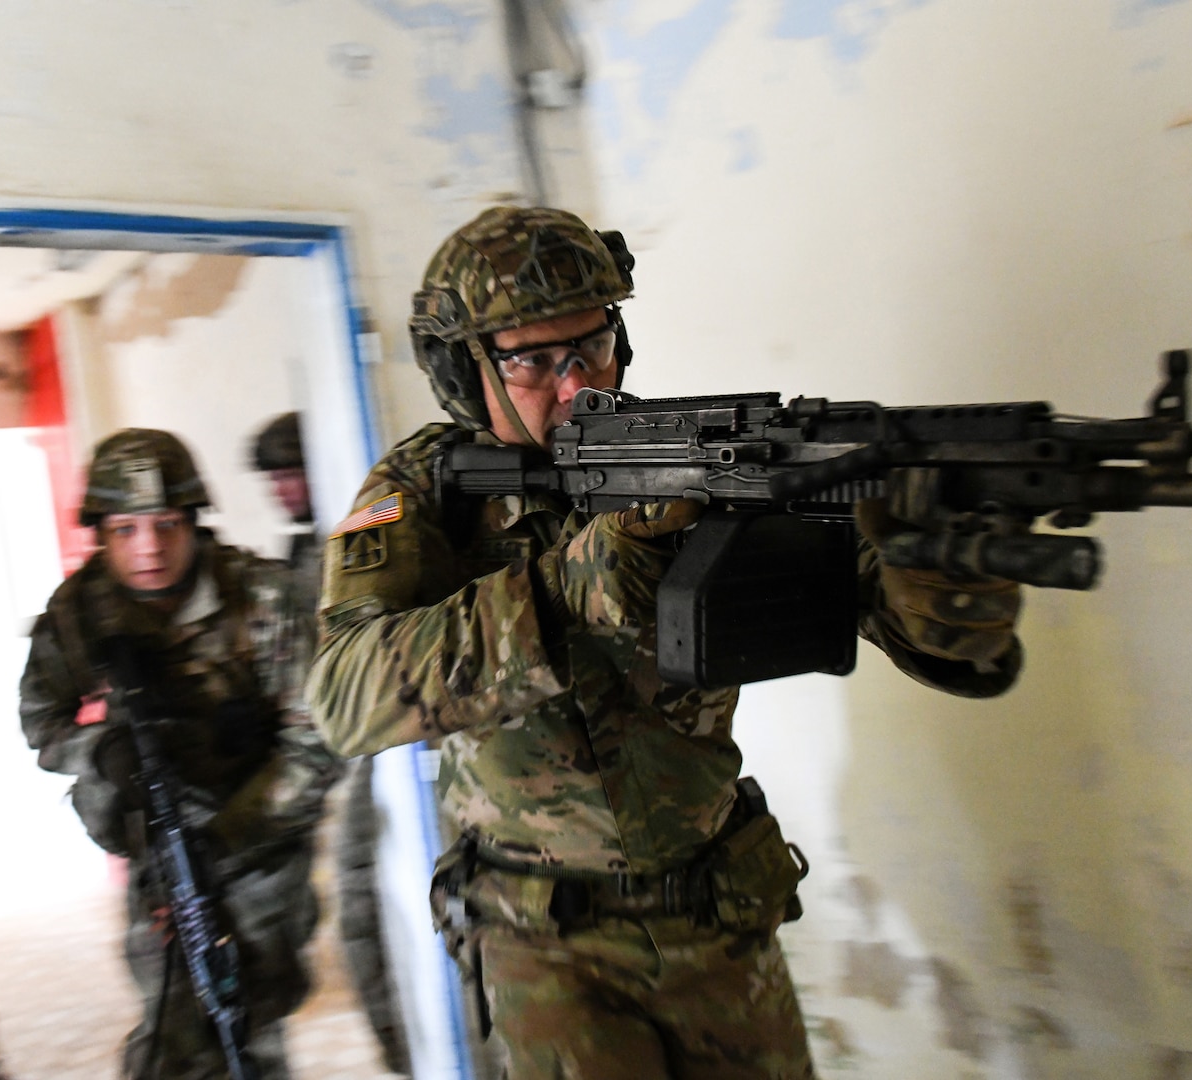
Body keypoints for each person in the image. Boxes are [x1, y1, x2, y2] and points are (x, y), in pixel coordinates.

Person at [307, 206, 1024, 1079]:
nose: (577, 386)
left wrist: (944, 586)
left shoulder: (694, 455)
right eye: (533, 359)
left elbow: (901, 617)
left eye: (593, 345)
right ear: (464, 365)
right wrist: (573, 590)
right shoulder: (424, 492)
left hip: (720, 918)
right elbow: (342, 697)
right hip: (546, 945)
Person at [20, 428, 342, 1080]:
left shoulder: (264, 597)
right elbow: (41, 723)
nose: (149, 548)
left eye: (167, 524)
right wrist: (104, 751)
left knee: (241, 1023)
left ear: (194, 522)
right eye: (125, 530)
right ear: (99, 533)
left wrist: (226, 839)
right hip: (156, 853)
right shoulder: (81, 611)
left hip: (257, 849)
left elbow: (319, 742)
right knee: (173, 1014)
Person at [247, 412, 412, 1077]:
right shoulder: (301, 551)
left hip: (373, 754)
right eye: (275, 478)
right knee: (357, 919)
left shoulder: (368, 522)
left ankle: (411, 1050)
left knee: (371, 910)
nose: (283, 489)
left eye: (292, 473)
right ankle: (403, 1052)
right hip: (330, 756)